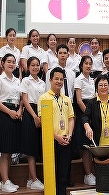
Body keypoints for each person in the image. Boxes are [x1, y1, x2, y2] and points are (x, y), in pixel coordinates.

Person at [38, 67, 75, 195]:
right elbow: (43, 121)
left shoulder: (67, 99)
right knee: (51, 175)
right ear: (50, 80)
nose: (59, 81)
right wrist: (56, 137)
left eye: (61, 79)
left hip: (65, 140)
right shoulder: (44, 98)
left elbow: (71, 118)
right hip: (51, 141)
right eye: (56, 79)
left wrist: (69, 135)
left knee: (63, 175)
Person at [0, 53, 22, 193]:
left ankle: (5, 181)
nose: (11, 64)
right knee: (4, 150)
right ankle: (4, 181)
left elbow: (21, 98)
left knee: (10, 150)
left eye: (13, 62)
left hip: (16, 113)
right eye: (8, 61)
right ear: (2, 63)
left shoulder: (17, 80)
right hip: (4, 114)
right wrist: (9, 112)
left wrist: (20, 110)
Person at [20, 56, 45, 190]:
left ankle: (30, 179)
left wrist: (40, 116)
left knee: (36, 147)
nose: (35, 67)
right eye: (33, 65)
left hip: (41, 113)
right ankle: (34, 179)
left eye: (37, 65)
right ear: (28, 67)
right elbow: (24, 100)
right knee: (30, 148)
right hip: (31, 114)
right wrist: (35, 116)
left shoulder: (42, 82)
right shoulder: (25, 80)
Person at [83, 74, 109, 146]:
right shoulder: (91, 103)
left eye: (105, 85)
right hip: (98, 145)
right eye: (100, 85)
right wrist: (87, 126)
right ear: (96, 87)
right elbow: (85, 117)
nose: (103, 87)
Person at [74, 56, 96, 186]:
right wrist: (88, 114)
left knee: (92, 145)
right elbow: (78, 100)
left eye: (90, 64)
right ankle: (87, 174)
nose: (88, 66)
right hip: (83, 112)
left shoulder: (93, 80)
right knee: (85, 146)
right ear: (81, 65)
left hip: (92, 111)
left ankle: (92, 172)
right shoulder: (79, 80)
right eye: (86, 63)